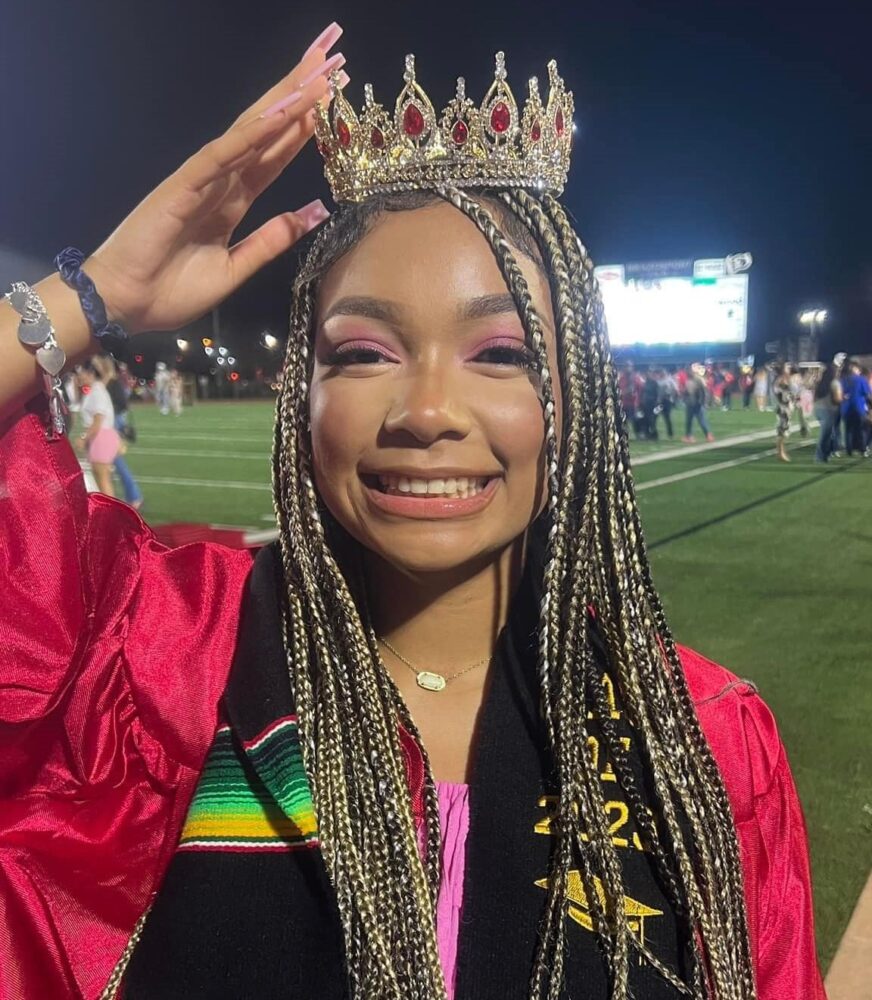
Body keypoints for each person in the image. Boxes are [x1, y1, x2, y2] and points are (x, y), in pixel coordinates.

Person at [0, 31, 826, 1000]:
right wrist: (91, 297)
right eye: (362, 354)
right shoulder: (147, 653)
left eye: (500, 354)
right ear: (299, 396)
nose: (427, 411)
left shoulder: (700, 744)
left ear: (576, 399)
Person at [99, 354, 144, 508]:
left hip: (113, 423)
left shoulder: (111, 382)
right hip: (109, 423)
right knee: (108, 463)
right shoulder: (107, 381)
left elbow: (121, 404)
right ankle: (127, 496)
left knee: (116, 462)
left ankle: (134, 496)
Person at [74, 359, 123, 496]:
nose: (79, 377)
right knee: (102, 481)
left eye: (81, 373)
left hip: (101, 437)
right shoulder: (96, 389)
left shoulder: (97, 391)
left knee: (103, 482)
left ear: (90, 373)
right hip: (101, 437)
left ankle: (112, 515)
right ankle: (111, 514)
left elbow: (97, 421)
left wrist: (83, 438)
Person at [813, 360, 844, 463]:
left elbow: (814, 396)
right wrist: (844, 398)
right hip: (829, 410)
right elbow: (837, 399)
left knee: (828, 434)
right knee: (825, 434)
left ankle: (826, 454)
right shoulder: (835, 382)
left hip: (818, 409)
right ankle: (820, 456)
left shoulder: (820, 382)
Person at [841, 358, 871, 457]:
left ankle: (849, 450)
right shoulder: (861, 379)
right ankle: (862, 449)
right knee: (861, 429)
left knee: (848, 430)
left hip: (846, 408)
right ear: (857, 369)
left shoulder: (843, 380)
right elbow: (867, 394)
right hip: (859, 408)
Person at [682, 364, 715, 443]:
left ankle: (708, 435)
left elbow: (703, 392)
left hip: (697, 402)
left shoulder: (698, 379)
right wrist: (685, 397)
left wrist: (703, 402)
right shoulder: (688, 380)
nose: (687, 373)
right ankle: (689, 436)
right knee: (689, 421)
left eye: (688, 371)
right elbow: (687, 392)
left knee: (701, 420)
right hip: (690, 403)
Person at [657, 366, 678, 439]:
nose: (662, 374)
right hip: (660, 402)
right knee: (655, 415)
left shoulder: (670, 380)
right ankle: (653, 432)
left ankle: (670, 433)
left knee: (667, 417)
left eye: (663, 372)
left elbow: (675, 389)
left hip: (667, 401)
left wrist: (673, 398)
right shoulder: (658, 381)